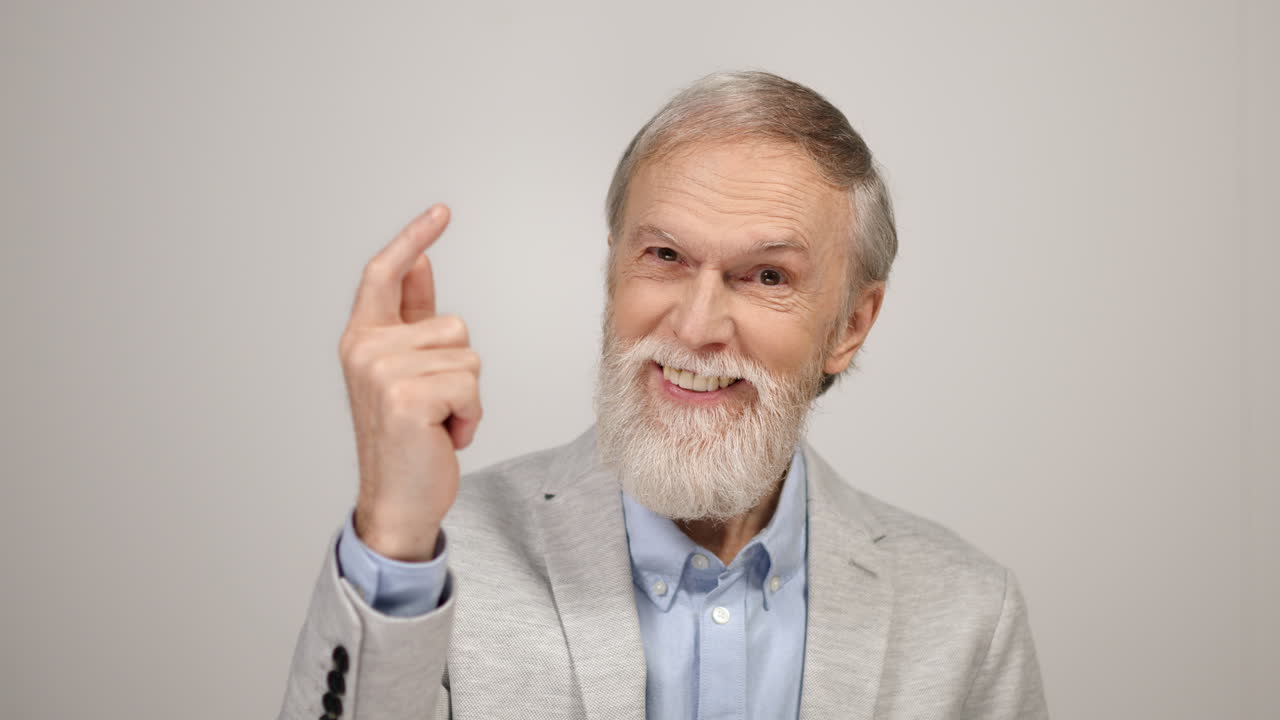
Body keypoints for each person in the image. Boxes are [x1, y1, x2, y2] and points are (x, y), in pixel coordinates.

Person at [278, 70, 1049, 720]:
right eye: (666, 255)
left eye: (768, 275)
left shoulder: (968, 613)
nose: (697, 324)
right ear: (613, 272)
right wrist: (393, 534)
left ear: (850, 324)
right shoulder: (432, 561)